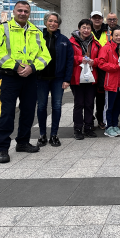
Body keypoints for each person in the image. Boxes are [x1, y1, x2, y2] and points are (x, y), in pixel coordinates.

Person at [0, 1, 51, 164]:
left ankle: (22, 142)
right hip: (9, 77)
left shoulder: (36, 31)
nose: (23, 13)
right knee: (7, 112)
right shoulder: (2, 29)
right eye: (20, 10)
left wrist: (32, 67)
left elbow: (45, 56)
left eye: (26, 11)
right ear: (14, 12)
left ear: (29, 13)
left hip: (30, 77)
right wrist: (16, 66)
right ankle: (2, 148)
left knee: (29, 112)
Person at [36, 12, 74, 148]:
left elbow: (70, 61)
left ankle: (54, 135)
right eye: (50, 21)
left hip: (58, 79)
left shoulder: (64, 40)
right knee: (41, 106)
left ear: (59, 24)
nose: (53, 23)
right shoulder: (37, 38)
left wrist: (67, 79)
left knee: (57, 106)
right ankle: (42, 135)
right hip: (41, 78)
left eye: (56, 21)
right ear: (45, 22)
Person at [70, 19, 102, 139]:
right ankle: (77, 129)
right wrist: (79, 59)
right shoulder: (71, 42)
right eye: (84, 27)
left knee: (89, 103)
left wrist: (95, 62)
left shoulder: (96, 43)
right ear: (79, 29)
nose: (86, 30)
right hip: (77, 77)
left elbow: (101, 59)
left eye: (88, 28)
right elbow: (68, 58)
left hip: (91, 77)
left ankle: (88, 127)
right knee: (79, 104)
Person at [98, 26, 120, 137]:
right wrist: (116, 67)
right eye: (116, 35)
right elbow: (101, 64)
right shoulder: (106, 48)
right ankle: (108, 127)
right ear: (112, 36)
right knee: (109, 106)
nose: (118, 37)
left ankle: (115, 125)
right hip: (110, 82)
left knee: (117, 106)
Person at [90, 11, 108, 128]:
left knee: (101, 96)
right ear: (91, 19)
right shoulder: (86, 30)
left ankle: (100, 118)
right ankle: (89, 119)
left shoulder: (108, 32)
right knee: (89, 97)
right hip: (88, 68)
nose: (97, 20)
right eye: (94, 18)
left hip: (103, 69)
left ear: (102, 19)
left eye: (99, 18)